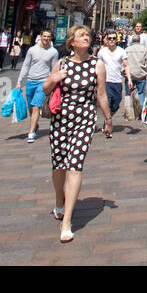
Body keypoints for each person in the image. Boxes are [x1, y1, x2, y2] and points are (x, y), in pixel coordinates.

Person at [44, 25, 110, 243]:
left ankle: (67, 221)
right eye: (81, 36)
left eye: (87, 35)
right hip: (61, 120)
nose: (86, 38)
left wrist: (108, 119)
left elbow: (101, 95)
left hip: (85, 119)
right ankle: (59, 200)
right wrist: (55, 79)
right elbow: (45, 88)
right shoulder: (61, 63)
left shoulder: (97, 64)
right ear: (71, 41)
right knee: (59, 166)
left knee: (75, 165)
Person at [19, 31, 60, 142]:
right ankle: (35, 124)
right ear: (41, 37)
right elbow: (26, 65)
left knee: (36, 106)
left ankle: (31, 132)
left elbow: (53, 69)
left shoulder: (53, 52)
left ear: (51, 38)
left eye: (48, 37)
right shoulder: (32, 50)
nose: (46, 38)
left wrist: (52, 83)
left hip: (43, 81)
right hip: (30, 81)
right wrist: (19, 82)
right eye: (44, 36)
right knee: (31, 107)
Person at [96, 33, 128, 132]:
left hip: (117, 81)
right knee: (107, 103)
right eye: (109, 38)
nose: (112, 40)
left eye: (114, 38)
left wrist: (129, 79)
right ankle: (107, 121)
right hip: (105, 81)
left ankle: (108, 118)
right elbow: (97, 65)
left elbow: (126, 65)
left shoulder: (121, 51)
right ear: (106, 39)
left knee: (116, 104)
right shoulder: (102, 52)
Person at [125, 31, 147, 119]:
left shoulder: (127, 50)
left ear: (132, 40)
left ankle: (129, 113)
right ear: (140, 40)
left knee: (128, 94)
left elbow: (124, 64)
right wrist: (146, 70)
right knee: (141, 93)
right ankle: (141, 112)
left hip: (130, 75)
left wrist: (124, 73)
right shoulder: (144, 50)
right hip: (141, 74)